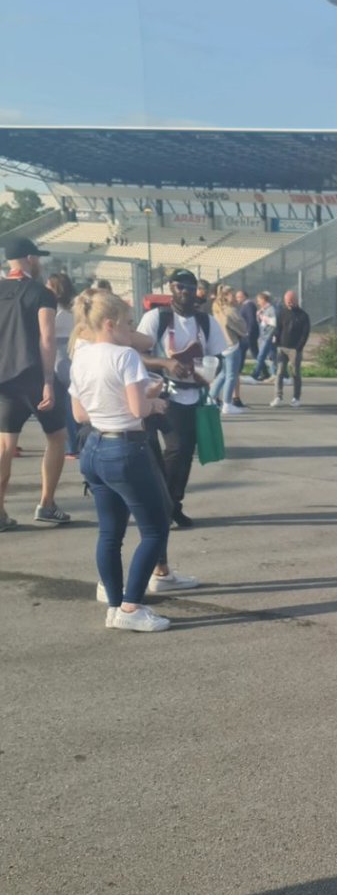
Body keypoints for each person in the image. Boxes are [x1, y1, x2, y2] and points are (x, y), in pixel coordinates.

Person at [70, 289, 199, 632]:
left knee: (109, 533)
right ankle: (130, 606)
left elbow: (79, 412)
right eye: (128, 324)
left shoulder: (80, 355)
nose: (133, 332)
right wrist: (154, 402)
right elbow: (138, 410)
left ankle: (115, 605)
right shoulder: (124, 357)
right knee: (155, 529)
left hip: (94, 448)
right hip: (126, 448)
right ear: (110, 324)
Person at [136, 268, 228, 529]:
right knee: (174, 450)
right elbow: (138, 354)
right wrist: (164, 362)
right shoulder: (157, 318)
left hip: (194, 396)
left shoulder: (206, 321)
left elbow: (219, 357)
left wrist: (209, 372)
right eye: (179, 287)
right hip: (164, 393)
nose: (185, 293)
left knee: (185, 453)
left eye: (189, 288)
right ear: (170, 288)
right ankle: (161, 507)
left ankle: (173, 504)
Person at [0, 236, 71, 530]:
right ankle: (46, 502)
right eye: (37, 258)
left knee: (5, 445)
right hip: (32, 375)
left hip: (3, 378)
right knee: (56, 436)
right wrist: (48, 382)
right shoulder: (42, 293)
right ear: (30, 259)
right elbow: (46, 337)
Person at [45, 272, 81, 457]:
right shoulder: (74, 308)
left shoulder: (53, 309)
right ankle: (76, 442)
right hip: (73, 351)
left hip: (59, 354)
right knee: (73, 399)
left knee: (65, 404)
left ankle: (71, 445)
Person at [209, 285, 248, 416]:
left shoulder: (217, 309)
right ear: (226, 296)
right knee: (231, 375)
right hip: (232, 345)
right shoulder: (230, 311)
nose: (234, 297)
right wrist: (243, 331)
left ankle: (211, 397)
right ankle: (227, 404)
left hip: (222, 345)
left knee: (223, 374)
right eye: (232, 294)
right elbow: (242, 327)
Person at [272, 290, 309, 408]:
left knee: (295, 374)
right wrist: (275, 339)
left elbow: (305, 333)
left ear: (296, 301)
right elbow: (278, 328)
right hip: (282, 347)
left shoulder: (303, 315)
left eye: (291, 301)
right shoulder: (282, 313)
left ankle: (296, 398)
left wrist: (299, 347)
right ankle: (278, 396)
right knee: (279, 372)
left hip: (295, 349)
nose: (289, 304)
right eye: (287, 301)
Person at [250, 292, 277, 382]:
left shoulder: (271, 309)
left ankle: (255, 375)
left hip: (268, 336)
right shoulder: (264, 310)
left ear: (264, 300)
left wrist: (262, 317)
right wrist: (259, 315)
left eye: (259, 300)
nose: (258, 303)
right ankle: (275, 374)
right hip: (264, 336)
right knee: (271, 356)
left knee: (261, 356)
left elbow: (274, 322)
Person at [236, 289, 258, 375]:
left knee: (254, 353)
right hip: (246, 334)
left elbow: (251, 320)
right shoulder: (245, 305)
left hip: (248, 334)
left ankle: (263, 371)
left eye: (238, 297)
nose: (237, 299)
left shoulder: (249, 306)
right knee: (243, 352)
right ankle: (238, 370)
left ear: (244, 297)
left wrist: (249, 332)